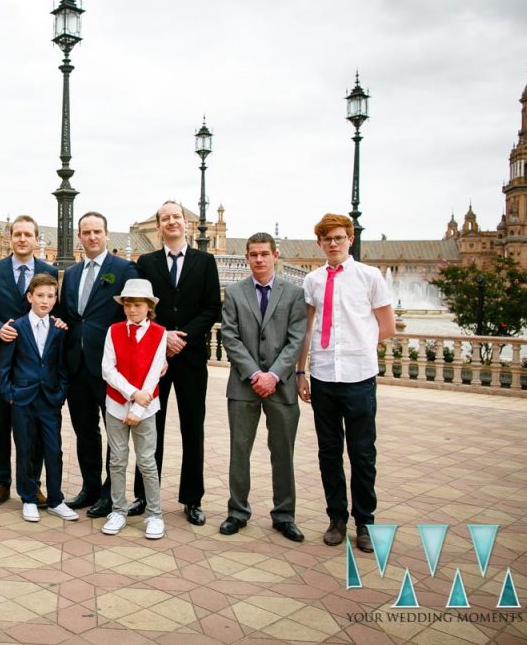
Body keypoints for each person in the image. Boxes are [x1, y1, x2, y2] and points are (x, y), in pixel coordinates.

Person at [296, 214, 394, 553]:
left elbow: (387, 326)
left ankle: (364, 521)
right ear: (320, 244)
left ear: (350, 239)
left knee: (363, 453)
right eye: (327, 239)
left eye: (339, 237)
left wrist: (359, 349)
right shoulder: (312, 280)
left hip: (359, 378)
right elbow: (306, 330)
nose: (333, 243)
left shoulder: (370, 276)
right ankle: (336, 518)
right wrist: (300, 371)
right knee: (329, 452)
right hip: (323, 376)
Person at [132, 201, 221, 526]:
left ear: (185, 223)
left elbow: (212, 308)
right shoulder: (147, 262)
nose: (171, 221)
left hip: (192, 357)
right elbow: (139, 304)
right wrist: (162, 336)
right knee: (148, 428)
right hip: (154, 361)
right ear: (159, 226)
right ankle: (143, 496)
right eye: (165, 218)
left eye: (176, 217)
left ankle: (192, 499)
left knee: (192, 428)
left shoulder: (205, 261)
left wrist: (182, 337)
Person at [219, 233, 307, 542]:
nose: (259, 259)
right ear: (247, 257)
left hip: (280, 387)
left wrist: (275, 375)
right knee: (239, 452)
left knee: (283, 453)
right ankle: (237, 512)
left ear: (275, 255)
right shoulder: (234, 292)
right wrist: (255, 373)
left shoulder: (294, 293)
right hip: (243, 385)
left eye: (264, 254)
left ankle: (284, 515)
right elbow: (229, 337)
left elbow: (297, 338)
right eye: (253, 254)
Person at [57, 211, 138, 518]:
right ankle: (90, 487)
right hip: (77, 367)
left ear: (107, 235)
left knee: (114, 432)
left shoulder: (124, 269)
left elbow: (134, 314)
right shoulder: (73, 273)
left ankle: (110, 492)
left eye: (97, 232)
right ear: (79, 236)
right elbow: (69, 314)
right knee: (85, 431)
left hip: (109, 367)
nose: (91, 237)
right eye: (86, 232)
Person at [0, 215, 56, 507]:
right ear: (10, 238)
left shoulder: (48, 270)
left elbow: (54, 309)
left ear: (36, 239)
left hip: (36, 365)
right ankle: (1, 483)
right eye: (17, 234)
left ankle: (32, 484)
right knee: (1, 425)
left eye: (28, 235)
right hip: (2, 361)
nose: (22, 239)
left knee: (33, 426)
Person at [0, 273, 77, 523]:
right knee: (25, 449)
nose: (45, 301)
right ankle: (29, 498)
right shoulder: (16, 327)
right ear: (30, 297)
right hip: (22, 398)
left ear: (55, 300)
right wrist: (9, 394)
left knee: (54, 450)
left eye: (50, 296)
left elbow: (62, 364)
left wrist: (61, 391)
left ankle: (56, 499)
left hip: (50, 398)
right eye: (40, 296)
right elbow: (4, 367)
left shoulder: (58, 329)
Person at [100, 279, 167, 540]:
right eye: (127, 305)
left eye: (137, 305)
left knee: (147, 461)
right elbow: (108, 369)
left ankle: (155, 514)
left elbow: (154, 373)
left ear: (149, 307)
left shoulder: (160, 333)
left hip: (147, 408)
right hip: (116, 404)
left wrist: (138, 407)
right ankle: (118, 510)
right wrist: (131, 394)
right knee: (117, 460)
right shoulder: (114, 330)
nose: (131, 310)